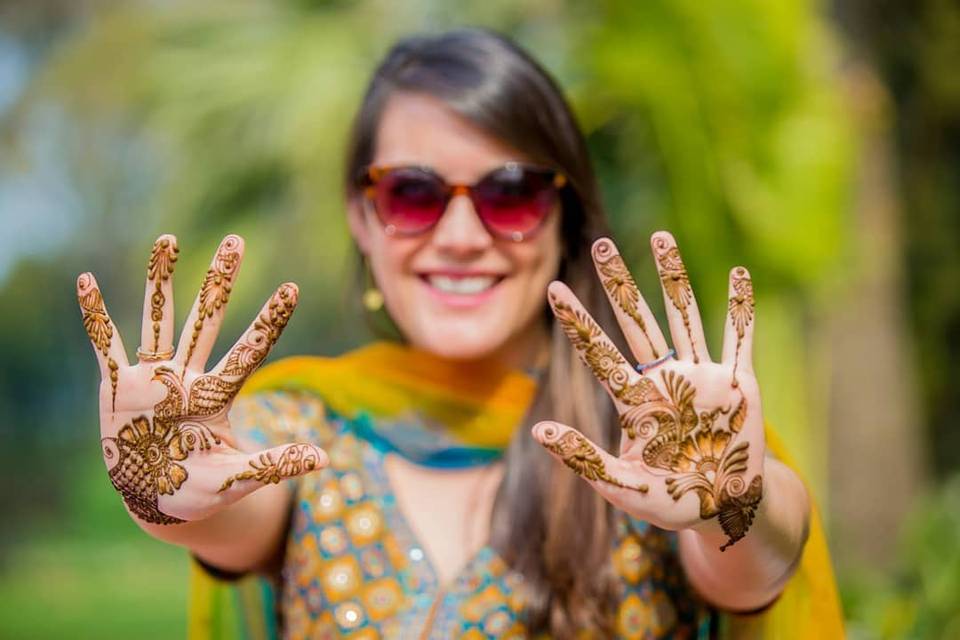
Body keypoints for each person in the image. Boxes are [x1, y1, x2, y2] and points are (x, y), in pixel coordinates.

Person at [76, 28, 843, 639]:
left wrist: (732, 502)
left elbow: (752, 566)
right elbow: (226, 511)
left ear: (563, 217)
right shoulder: (305, 429)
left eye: (510, 194)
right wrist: (161, 495)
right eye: (414, 194)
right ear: (363, 218)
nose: (462, 235)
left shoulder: (660, 443)